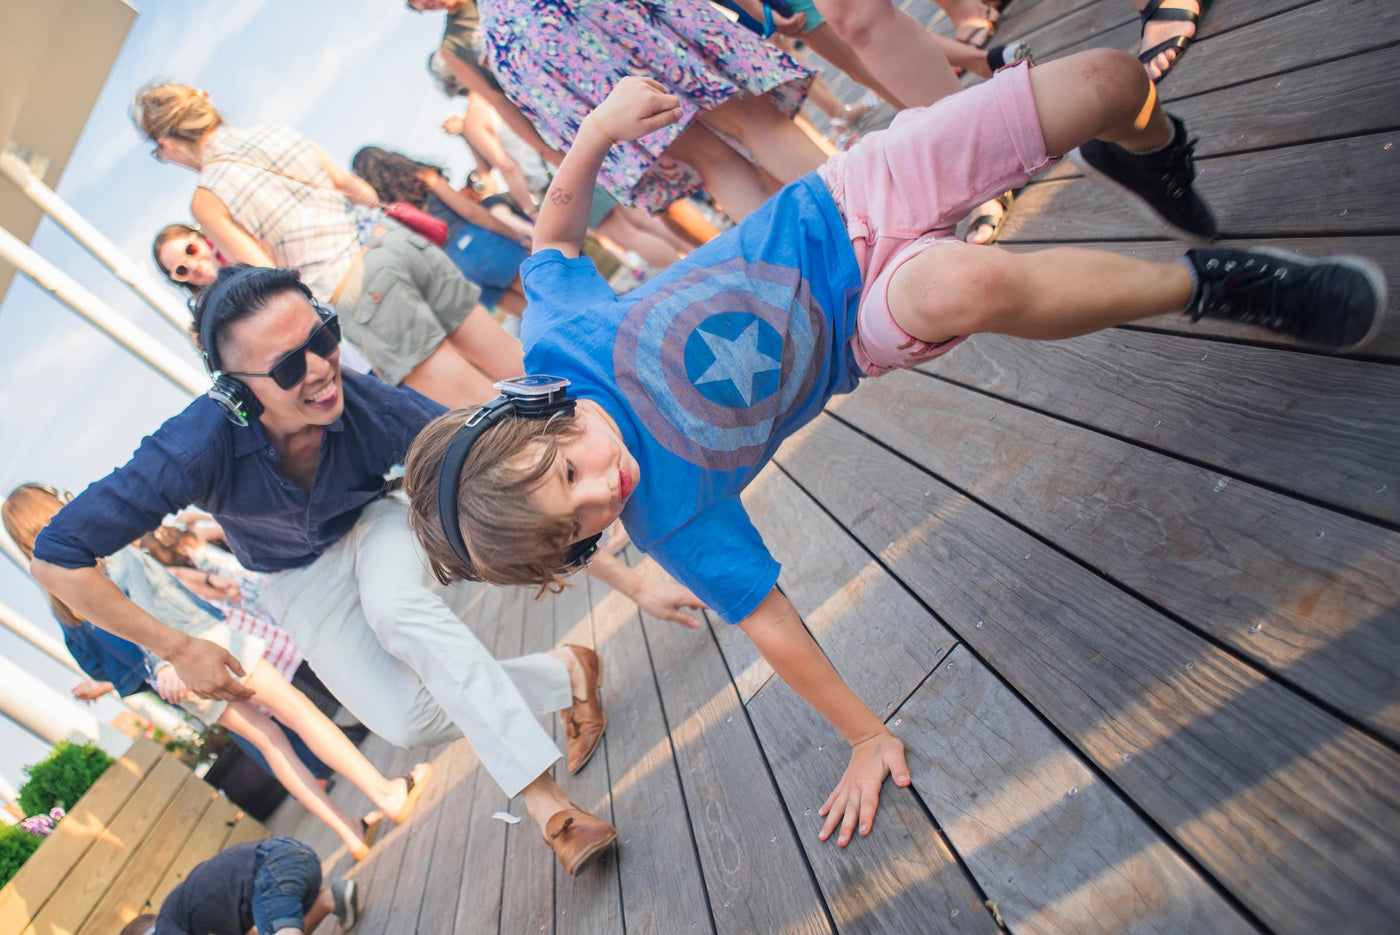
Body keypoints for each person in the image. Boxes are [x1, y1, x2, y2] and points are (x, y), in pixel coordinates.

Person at [402, 62, 1387, 849]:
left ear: (538, 408)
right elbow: (773, 625)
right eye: (579, 526)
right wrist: (864, 732)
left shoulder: (558, 344)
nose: (599, 490)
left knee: (1105, 86)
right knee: (964, 285)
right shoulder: (668, 514)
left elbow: (553, 232)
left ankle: (1150, 154)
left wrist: (596, 131)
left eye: (568, 466)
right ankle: (1208, 285)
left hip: (848, 196)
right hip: (864, 321)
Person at [30, 265, 705, 876]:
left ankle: (549, 806)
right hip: (293, 577)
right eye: (289, 366)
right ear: (236, 392)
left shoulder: (365, 401)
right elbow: (57, 556)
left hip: (378, 520)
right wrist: (176, 646)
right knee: (404, 720)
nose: (322, 367)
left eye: (323, 335)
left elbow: (512, 496)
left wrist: (635, 580)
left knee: (396, 609)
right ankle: (568, 673)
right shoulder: (192, 446)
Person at [6, 484, 428, 861]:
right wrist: (163, 659)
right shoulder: (106, 556)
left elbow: (98, 663)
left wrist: (151, 673)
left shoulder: (60, 601)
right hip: (204, 642)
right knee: (301, 714)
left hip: (178, 682)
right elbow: (145, 609)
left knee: (270, 743)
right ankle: (385, 793)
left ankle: (349, 832)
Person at [132, 81, 519, 407]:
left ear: (167, 142)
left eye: (159, 153)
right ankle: (581, 410)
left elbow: (270, 276)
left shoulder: (206, 199)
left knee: (483, 405)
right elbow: (359, 190)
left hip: (354, 289)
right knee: (515, 362)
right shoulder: (277, 132)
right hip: (397, 244)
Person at [410, 0, 828, 221]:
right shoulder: (457, 43)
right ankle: (871, 211)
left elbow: (505, 100)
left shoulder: (486, 33)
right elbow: (499, 102)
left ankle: (825, 259)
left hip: (528, 46)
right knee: (748, 117)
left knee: (711, 159)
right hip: (574, 14)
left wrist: (557, 151)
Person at [351, 145, 532, 316]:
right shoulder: (424, 177)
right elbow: (472, 212)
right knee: (547, 295)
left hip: (458, 269)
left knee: (532, 316)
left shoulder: (387, 211)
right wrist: (514, 234)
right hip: (479, 245)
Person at [119, 836, 358, 935]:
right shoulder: (197, 912)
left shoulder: (168, 923)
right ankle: (330, 898)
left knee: (279, 925)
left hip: (268, 872)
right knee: (278, 919)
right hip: (296, 858)